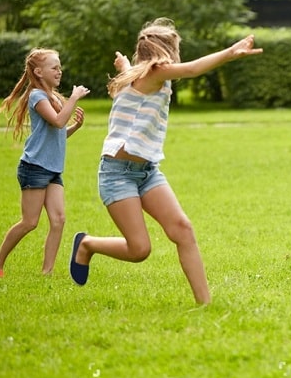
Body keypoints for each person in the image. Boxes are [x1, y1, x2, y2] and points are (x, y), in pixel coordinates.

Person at [68, 18, 262, 305]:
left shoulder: (136, 74)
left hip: (146, 171)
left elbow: (133, 81)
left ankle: (205, 303)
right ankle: (86, 244)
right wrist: (230, 52)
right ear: (167, 51)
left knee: (182, 229)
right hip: (117, 173)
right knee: (139, 250)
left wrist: (123, 66)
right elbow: (194, 69)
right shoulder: (158, 72)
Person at [0, 48, 90, 277]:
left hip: (53, 169)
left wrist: (76, 127)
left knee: (58, 219)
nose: (59, 71)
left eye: (59, 67)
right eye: (54, 67)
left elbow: (58, 132)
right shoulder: (37, 96)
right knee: (30, 222)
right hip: (34, 168)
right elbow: (57, 121)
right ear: (38, 72)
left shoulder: (52, 96)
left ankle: (47, 273)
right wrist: (73, 99)